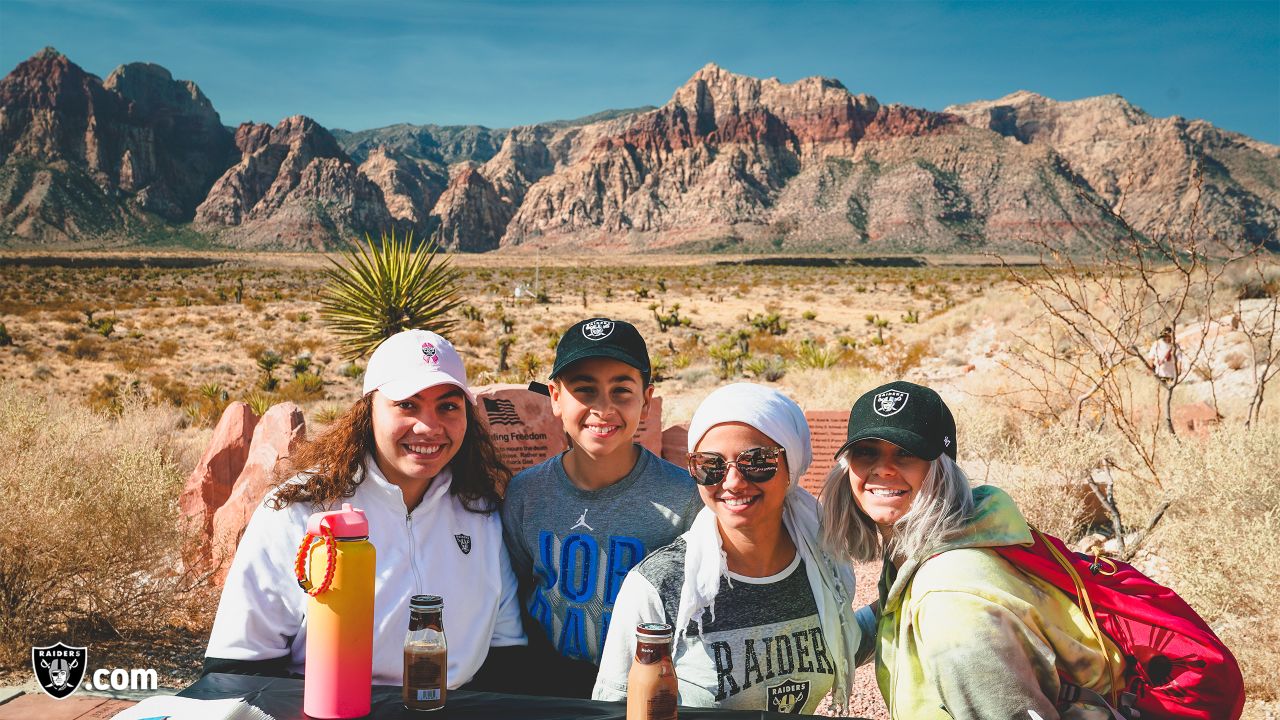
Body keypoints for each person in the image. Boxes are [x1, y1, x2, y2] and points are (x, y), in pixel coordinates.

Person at [204, 330, 526, 688]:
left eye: (448, 406)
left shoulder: (480, 512)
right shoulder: (299, 510)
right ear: (367, 410)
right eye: (407, 405)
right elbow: (237, 667)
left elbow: (506, 652)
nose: (429, 426)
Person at [820, 380, 1124, 720]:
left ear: (942, 467)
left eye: (906, 452)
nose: (883, 468)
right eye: (866, 451)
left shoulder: (951, 605)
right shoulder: (953, 539)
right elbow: (892, 611)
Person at [594, 383, 874, 715]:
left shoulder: (824, 563)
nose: (732, 482)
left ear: (791, 466)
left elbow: (844, 642)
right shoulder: (659, 585)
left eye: (757, 461)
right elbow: (613, 707)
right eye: (709, 465)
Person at [502, 317, 699, 697]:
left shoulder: (683, 498)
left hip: (641, 690)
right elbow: (516, 590)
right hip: (547, 685)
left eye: (621, 390)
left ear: (646, 400)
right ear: (555, 397)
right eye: (585, 389)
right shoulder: (527, 494)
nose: (603, 408)